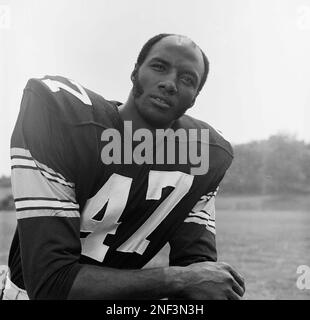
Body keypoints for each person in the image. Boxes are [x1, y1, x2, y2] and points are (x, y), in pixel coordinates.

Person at [4, 33, 245, 300]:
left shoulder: (204, 152)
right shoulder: (64, 118)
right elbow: (50, 283)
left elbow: (199, 273)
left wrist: (195, 281)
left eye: (187, 79)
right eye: (159, 67)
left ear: (194, 98)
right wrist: (175, 279)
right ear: (134, 73)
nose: (169, 84)